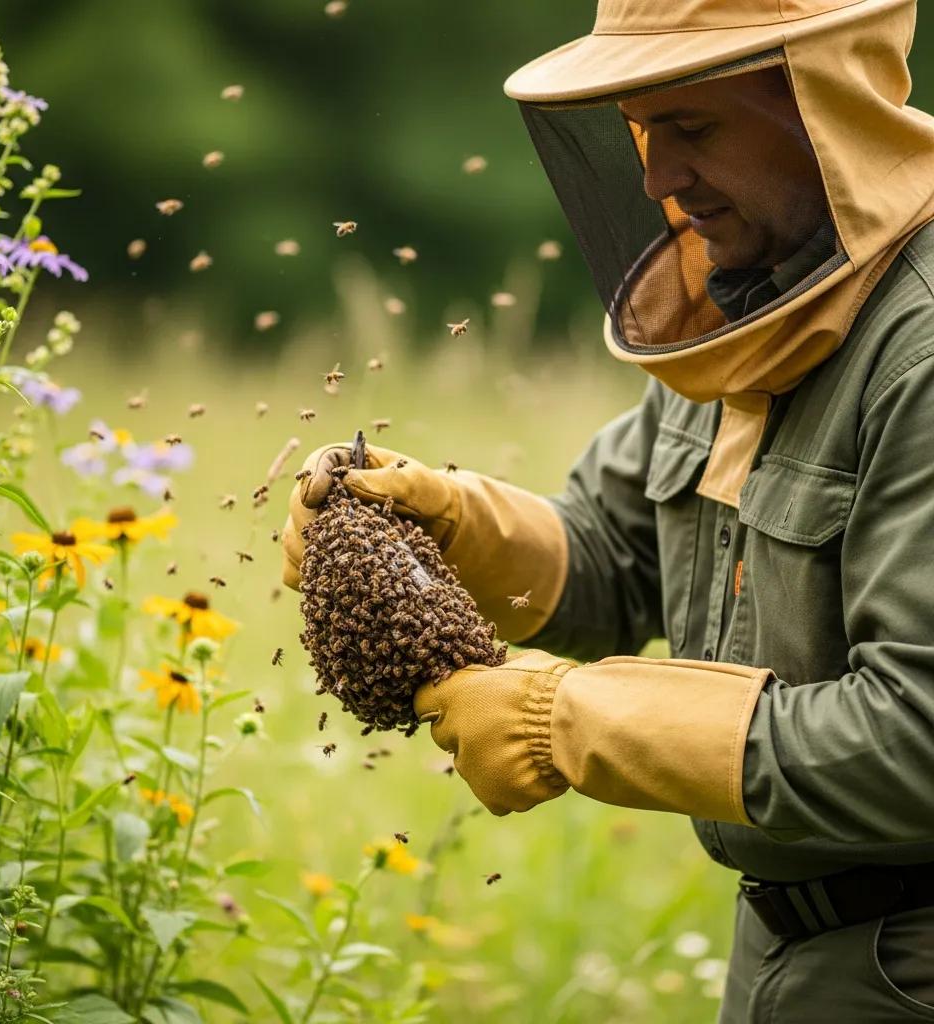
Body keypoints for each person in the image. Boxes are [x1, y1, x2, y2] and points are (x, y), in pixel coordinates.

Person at [283, 0, 934, 1018]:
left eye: (692, 126)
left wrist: (568, 719)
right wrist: (445, 526)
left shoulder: (918, 349)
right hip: (782, 944)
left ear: (825, 106)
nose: (656, 178)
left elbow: (916, 739)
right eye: (641, 129)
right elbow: (615, 558)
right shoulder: (756, 299)